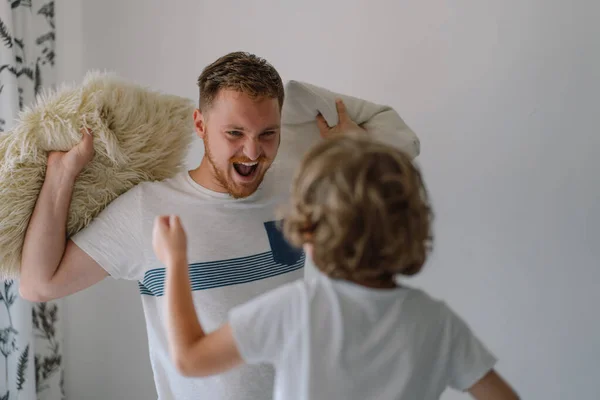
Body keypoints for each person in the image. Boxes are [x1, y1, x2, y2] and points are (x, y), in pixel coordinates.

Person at [18, 52, 403, 399]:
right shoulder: (148, 210)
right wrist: (62, 173)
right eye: (234, 133)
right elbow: (39, 285)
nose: (253, 152)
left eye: (267, 134)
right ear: (200, 125)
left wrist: (357, 153)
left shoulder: (296, 186)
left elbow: (386, 200)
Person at [153, 133, 521, 400]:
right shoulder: (436, 323)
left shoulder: (297, 310)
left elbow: (189, 358)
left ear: (309, 231)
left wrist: (175, 261)